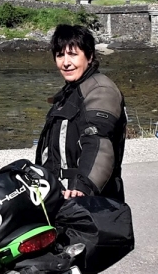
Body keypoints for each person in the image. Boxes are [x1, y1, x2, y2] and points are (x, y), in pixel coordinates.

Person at [36, 25, 126, 201]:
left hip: (89, 202)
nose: (66, 62)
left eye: (73, 54)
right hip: (61, 196)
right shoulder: (71, 92)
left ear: (90, 56)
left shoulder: (101, 90)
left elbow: (98, 142)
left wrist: (84, 186)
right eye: (60, 55)